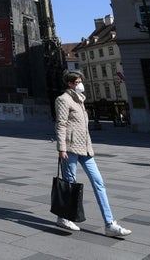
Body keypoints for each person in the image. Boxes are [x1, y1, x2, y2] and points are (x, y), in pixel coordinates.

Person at [54, 70, 132, 237]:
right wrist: (62, 148)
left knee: (99, 183)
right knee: (70, 185)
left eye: (80, 81)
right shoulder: (63, 100)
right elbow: (60, 124)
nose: (80, 84)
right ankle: (64, 217)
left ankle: (110, 224)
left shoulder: (81, 100)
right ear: (70, 84)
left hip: (86, 149)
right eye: (77, 81)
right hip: (70, 149)